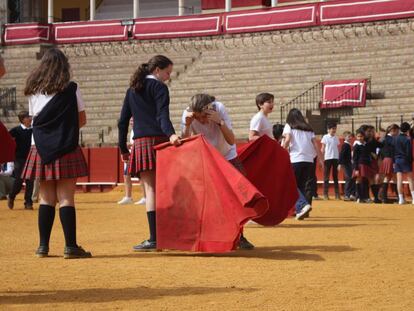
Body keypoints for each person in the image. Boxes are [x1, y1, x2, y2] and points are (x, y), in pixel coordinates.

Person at [21, 48, 91, 259]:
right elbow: (82, 120)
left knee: (45, 198)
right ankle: (70, 246)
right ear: (64, 66)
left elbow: (35, 119)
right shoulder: (71, 89)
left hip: (40, 147)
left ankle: (43, 246)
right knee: (66, 197)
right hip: (66, 146)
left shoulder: (33, 89)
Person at [118, 55, 180, 251]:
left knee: (151, 189)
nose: (168, 77)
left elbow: (122, 121)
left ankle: (155, 237)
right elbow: (162, 115)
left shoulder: (132, 89)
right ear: (157, 70)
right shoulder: (160, 88)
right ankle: (166, 234)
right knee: (164, 188)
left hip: (141, 141)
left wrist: (122, 148)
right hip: (160, 140)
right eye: (167, 72)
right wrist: (171, 134)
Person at [182, 93, 255, 249]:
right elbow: (185, 143)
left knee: (236, 197)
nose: (201, 121)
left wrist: (219, 122)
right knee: (208, 199)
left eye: (203, 116)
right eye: (198, 117)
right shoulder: (188, 114)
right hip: (207, 157)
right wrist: (187, 125)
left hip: (228, 155)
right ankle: (212, 235)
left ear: (210, 109)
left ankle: (239, 236)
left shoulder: (219, 109)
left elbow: (231, 140)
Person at [282, 108, 323, 215]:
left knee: (291, 184)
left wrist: (280, 151)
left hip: (296, 159)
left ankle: (302, 205)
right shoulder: (309, 128)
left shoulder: (289, 125)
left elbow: (287, 140)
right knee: (302, 185)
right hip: (309, 160)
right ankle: (302, 210)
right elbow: (315, 144)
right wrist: (321, 160)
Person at [273, 123, 311, 220]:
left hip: (288, 166)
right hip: (299, 162)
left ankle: (302, 205)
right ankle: (298, 208)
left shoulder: (281, 142)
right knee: (298, 186)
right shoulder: (290, 139)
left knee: (291, 186)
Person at [8, 111, 34, 210]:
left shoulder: (34, 130)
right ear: (23, 119)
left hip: (31, 157)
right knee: (19, 180)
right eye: (28, 117)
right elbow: (6, 139)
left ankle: (28, 202)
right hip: (19, 158)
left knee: (30, 181)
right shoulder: (16, 130)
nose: (30, 118)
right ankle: (12, 195)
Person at [393, 122, 414, 204]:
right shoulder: (407, 139)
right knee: (410, 179)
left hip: (397, 159)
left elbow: (394, 150)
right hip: (405, 159)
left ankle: (401, 199)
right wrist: (410, 160)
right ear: (408, 130)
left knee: (399, 180)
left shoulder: (396, 138)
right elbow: (408, 152)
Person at [353, 129, 375, 203]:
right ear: (356, 137)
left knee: (366, 181)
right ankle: (359, 197)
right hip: (360, 165)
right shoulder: (356, 146)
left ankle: (366, 197)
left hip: (366, 164)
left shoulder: (366, 144)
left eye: (361, 136)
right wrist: (356, 168)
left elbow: (369, 154)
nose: (360, 138)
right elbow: (355, 158)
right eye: (358, 136)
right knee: (359, 180)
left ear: (363, 136)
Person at [379, 124, 399, 204]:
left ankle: (384, 198)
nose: (398, 133)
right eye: (397, 131)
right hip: (390, 159)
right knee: (392, 177)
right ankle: (398, 197)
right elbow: (392, 151)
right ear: (393, 130)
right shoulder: (390, 139)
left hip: (386, 159)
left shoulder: (386, 138)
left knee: (389, 177)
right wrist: (394, 162)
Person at [321, 122, 340, 200]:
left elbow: (337, 148)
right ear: (328, 130)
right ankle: (325, 194)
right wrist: (322, 159)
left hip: (335, 158)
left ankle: (337, 194)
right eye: (332, 129)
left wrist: (339, 159)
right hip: (327, 158)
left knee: (336, 177)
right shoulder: (325, 137)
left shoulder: (336, 137)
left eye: (335, 128)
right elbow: (322, 148)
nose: (334, 130)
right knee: (326, 177)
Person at [338, 131, 356, 201]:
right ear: (345, 137)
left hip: (349, 164)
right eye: (348, 136)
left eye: (351, 136)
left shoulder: (348, 145)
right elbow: (341, 155)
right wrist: (340, 164)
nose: (350, 138)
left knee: (351, 178)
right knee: (349, 179)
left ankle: (351, 194)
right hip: (346, 164)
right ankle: (347, 195)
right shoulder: (345, 145)